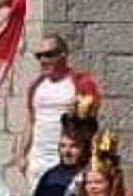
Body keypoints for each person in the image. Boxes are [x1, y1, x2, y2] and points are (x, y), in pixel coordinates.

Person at [12, 36, 101, 185]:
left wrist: (85, 160)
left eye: (49, 54)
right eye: (39, 56)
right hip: (38, 161)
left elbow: (91, 125)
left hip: (68, 159)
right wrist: (21, 155)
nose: (43, 60)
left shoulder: (81, 83)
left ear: (63, 54)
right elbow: (31, 121)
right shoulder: (35, 86)